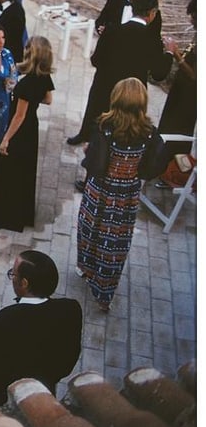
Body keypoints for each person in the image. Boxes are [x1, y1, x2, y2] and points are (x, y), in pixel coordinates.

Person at [77, 78, 168, 312]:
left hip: (100, 191)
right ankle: (104, 294)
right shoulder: (149, 132)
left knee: (91, 230)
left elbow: (95, 164)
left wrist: (89, 151)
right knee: (115, 243)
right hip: (126, 195)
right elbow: (152, 167)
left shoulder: (105, 127)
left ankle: (87, 268)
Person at [0, 250, 82, 405]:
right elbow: (68, 359)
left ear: (24, 283)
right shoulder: (71, 309)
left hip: (5, 402)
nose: (12, 278)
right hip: (44, 394)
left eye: (13, 275)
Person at [70, 0, 171, 149]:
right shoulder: (152, 42)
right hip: (130, 97)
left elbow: (95, 60)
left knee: (97, 133)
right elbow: (159, 74)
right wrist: (169, 54)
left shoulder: (111, 31)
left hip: (104, 89)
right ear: (152, 14)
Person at [0, 36, 55, 231]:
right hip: (31, 127)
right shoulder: (44, 75)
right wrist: (33, 98)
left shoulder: (25, 86)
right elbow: (48, 99)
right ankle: (22, 213)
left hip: (20, 130)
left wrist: (5, 140)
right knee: (24, 171)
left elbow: (19, 116)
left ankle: (6, 215)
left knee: (10, 171)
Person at [156, 0, 197, 165]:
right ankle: (160, 161)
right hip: (180, 89)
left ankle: (173, 168)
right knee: (167, 124)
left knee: (179, 129)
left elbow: (195, 75)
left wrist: (176, 54)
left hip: (190, 96)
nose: (192, 20)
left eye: (194, 17)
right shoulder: (197, 33)